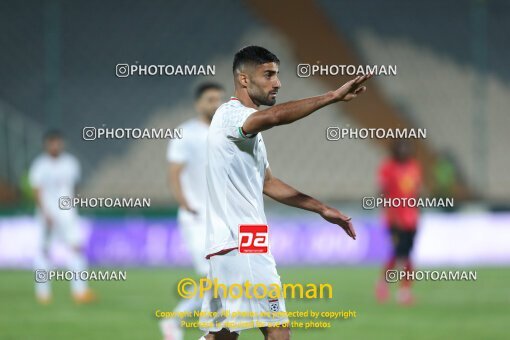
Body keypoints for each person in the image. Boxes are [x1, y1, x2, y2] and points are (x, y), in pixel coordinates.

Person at [199, 45, 371, 340]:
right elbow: (277, 116)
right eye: (268, 75)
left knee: (222, 335)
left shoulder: (245, 128)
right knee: (279, 333)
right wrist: (332, 96)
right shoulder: (232, 116)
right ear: (243, 79)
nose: (277, 83)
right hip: (245, 243)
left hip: (227, 245)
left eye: (277, 75)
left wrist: (320, 208)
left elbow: (267, 183)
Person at [161, 83, 225, 340]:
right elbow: (174, 171)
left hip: (221, 217)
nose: (215, 104)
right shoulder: (185, 133)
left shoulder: (225, 132)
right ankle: (209, 330)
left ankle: (178, 322)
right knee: (211, 274)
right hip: (196, 217)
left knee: (220, 275)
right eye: (210, 99)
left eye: (219, 99)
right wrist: (184, 201)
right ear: (198, 103)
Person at [29, 130, 95, 304]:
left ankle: (80, 291)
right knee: (44, 251)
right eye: (52, 142)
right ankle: (43, 292)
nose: (55, 145)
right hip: (48, 214)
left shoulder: (71, 163)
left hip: (67, 214)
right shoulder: (40, 165)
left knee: (76, 248)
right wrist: (45, 213)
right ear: (46, 144)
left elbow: (74, 188)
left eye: (58, 142)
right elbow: (37, 191)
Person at [375, 140, 422, 305]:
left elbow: (416, 193)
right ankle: (399, 289)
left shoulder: (414, 166)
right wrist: (391, 215)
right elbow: (382, 193)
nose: (405, 150)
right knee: (400, 253)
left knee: (404, 254)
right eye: (402, 147)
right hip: (394, 220)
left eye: (407, 147)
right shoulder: (387, 168)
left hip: (411, 219)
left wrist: (417, 214)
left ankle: (394, 287)